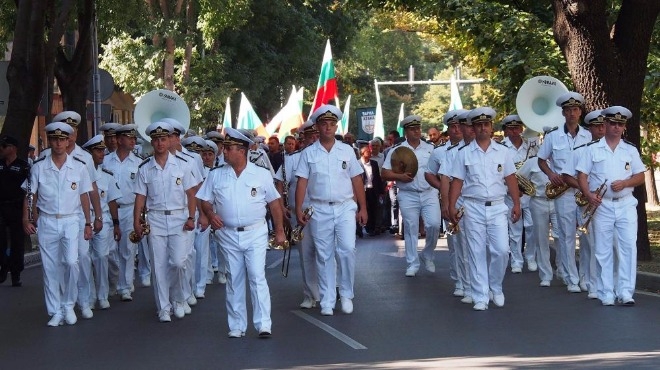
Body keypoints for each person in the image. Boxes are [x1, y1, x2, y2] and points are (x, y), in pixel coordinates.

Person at [198, 127, 285, 337]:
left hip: (255, 232)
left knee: (256, 276)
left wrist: (280, 231)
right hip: (227, 233)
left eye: (228, 148)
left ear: (242, 151)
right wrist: (210, 215)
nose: (224, 152)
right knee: (234, 279)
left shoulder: (261, 174)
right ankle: (237, 325)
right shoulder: (216, 175)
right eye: (225, 148)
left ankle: (264, 323)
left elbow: (274, 204)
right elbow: (204, 200)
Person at [295, 105, 367, 316]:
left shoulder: (347, 151)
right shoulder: (308, 153)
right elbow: (302, 182)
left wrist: (363, 207)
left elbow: (356, 179)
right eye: (324, 124)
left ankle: (346, 294)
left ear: (336, 126)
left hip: (345, 207)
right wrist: (299, 209)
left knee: (346, 249)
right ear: (317, 126)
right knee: (324, 255)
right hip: (318, 208)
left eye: (332, 124)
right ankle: (327, 299)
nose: (328, 127)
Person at [448, 107, 521, 311]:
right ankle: (480, 295)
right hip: (473, 206)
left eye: (486, 124)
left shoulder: (503, 152)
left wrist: (516, 203)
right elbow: (457, 182)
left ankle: (495, 286)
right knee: (476, 251)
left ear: (491, 127)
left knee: (501, 250)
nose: (482, 128)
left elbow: (511, 179)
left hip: (498, 206)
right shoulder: (463, 154)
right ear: (473, 127)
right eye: (478, 125)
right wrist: (452, 206)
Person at [23, 122, 93, 326]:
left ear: (68, 140)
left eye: (62, 139)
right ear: (50, 141)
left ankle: (69, 304)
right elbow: (30, 194)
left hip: (72, 220)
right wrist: (27, 217)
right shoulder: (39, 167)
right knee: (50, 267)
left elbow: (85, 196)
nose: (58, 143)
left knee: (72, 262)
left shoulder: (79, 166)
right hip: (47, 220)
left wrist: (88, 222)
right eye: (55, 139)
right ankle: (55, 310)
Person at [576, 106, 645, 306]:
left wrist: (625, 183)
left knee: (627, 248)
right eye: (612, 123)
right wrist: (588, 195)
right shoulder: (592, 149)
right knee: (603, 249)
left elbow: (640, 175)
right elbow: (582, 175)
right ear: (604, 124)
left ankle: (625, 292)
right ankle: (605, 291)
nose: (616, 127)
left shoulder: (630, 149)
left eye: (620, 124)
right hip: (602, 205)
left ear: (624, 127)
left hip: (625, 204)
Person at [133, 121, 198, 322]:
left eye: (164, 139)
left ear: (170, 140)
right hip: (156, 218)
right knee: (159, 265)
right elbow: (140, 198)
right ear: (151, 142)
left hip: (179, 217)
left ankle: (179, 298)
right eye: (156, 140)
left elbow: (191, 194)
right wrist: (137, 221)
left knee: (179, 262)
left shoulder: (183, 164)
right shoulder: (145, 167)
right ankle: (164, 307)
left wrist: (191, 217)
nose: (160, 143)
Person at [47, 111, 103, 319]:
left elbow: (92, 189)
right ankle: (63, 302)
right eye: (63, 130)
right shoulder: (46, 156)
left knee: (82, 257)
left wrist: (97, 217)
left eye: (72, 131)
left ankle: (85, 299)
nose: (68, 136)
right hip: (56, 216)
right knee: (61, 261)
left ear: (75, 133)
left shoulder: (85, 157)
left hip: (80, 216)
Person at [537, 92, 592, 293]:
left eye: (575, 109)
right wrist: (551, 174)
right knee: (567, 236)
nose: (572, 113)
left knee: (586, 236)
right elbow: (541, 160)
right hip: (563, 192)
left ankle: (586, 276)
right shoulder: (553, 136)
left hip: (583, 190)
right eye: (568, 110)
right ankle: (571, 278)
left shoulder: (588, 135)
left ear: (580, 112)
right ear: (563, 113)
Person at [382, 115, 441, 277]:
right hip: (408, 194)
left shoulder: (430, 148)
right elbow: (384, 173)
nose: (416, 131)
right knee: (410, 228)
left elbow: (440, 169)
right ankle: (412, 263)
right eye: (412, 129)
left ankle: (427, 254)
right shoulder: (397, 150)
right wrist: (400, 177)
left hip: (429, 193)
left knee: (434, 225)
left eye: (418, 128)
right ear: (406, 131)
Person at [274, 120, 320, 309]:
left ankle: (329, 290)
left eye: (317, 136)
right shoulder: (292, 159)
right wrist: (282, 205)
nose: (314, 140)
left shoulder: (326, 155)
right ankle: (310, 294)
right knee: (305, 253)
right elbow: (278, 183)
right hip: (299, 213)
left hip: (322, 210)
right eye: (310, 137)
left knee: (326, 252)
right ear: (303, 139)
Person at [562, 110, 606, 297]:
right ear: (590, 129)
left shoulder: (616, 149)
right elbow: (566, 175)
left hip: (608, 202)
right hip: (588, 203)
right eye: (597, 126)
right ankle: (590, 281)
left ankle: (597, 280)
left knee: (604, 244)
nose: (601, 130)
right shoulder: (581, 150)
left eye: (603, 126)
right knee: (590, 244)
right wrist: (584, 190)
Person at [433, 109, 472, 300]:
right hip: (460, 201)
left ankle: (479, 283)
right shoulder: (449, 152)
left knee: (482, 247)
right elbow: (445, 179)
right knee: (459, 245)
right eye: (455, 126)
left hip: (478, 202)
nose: (460, 129)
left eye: (463, 125)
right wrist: (447, 204)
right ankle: (462, 282)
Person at [103, 124, 143, 301]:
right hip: (108, 210)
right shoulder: (106, 161)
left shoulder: (139, 162)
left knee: (128, 249)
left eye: (134, 138)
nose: (133, 140)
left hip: (129, 209)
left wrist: (140, 215)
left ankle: (125, 285)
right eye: (129, 137)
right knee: (109, 251)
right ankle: (112, 281)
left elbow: (142, 190)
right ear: (119, 140)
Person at [82, 135, 121, 309]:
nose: (102, 154)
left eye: (103, 151)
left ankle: (103, 294)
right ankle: (89, 295)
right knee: (84, 259)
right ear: (89, 153)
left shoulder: (107, 176)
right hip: (83, 218)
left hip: (103, 218)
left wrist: (116, 223)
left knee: (102, 257)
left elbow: (112, 201)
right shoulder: (81, 173)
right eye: (97, 151)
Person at [500, 115, 537, 273]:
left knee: (532, 227)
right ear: (505, 131)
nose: (514, 131)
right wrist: (513, 189)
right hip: (511, 194)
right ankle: (516, 260)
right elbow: (499, 172)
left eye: (517, 128)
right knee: (515, 228)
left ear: (521, 129)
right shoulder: (501, 148)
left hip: (530, 193)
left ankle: (531, 258)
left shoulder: (533, 146)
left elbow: (538, 167)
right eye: (510, 128)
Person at [0, 135, 30, 287]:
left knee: (17, 241)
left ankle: (16, 272)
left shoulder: (23, 167)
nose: (1, 149)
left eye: (4, 146)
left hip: (17, 208)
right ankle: (3, 265)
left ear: (12, 148)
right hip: (1, 207)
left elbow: (29, 190)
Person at [360, 144, 384, 236]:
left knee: (373, 208)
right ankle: (361, 227)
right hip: (362, 190)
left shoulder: (374, 163)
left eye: (370, 152)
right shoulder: (358, 163)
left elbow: (377, 178)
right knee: (363, 207)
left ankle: (372, 228)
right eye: (367, 152)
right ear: (362, 153)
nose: (370, 153)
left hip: (372, 189)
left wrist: (381, 191)